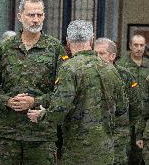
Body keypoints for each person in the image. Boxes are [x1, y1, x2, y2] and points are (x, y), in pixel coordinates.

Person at [27, 20, 128, 165]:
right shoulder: (111, 69)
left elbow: (59, 110)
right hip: (106, 151)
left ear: (68, 42)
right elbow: (122, 110)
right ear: (92, 39)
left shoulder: (69, 68)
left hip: (77, 152)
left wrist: (41, 115)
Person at [0, 0, 66, 165]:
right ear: (20, 16)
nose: (35, 20)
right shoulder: (5, 47)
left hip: (41, 135)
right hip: (7, 134)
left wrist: (34, 101)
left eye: (39, 15)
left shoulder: (55, 48)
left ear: (44, 16)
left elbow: (63, 92)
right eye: (31, 15)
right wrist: (6, 100)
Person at [94, 37, 140, 164]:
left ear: (112, 56)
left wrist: (122, 125)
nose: (97, 57)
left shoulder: (125, 76)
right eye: (94, 53)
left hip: (117, 138)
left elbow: (136, 107)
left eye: (101, 53)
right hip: (91, 138)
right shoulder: (86, 75)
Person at [116, 34, 148, 165]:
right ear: (130, 46)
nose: (139, 48)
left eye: (142, 45)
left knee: (143, 157)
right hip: (126, 119)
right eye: (136, 45)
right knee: (125, 156)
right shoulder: (120, 65)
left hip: (145, 119)